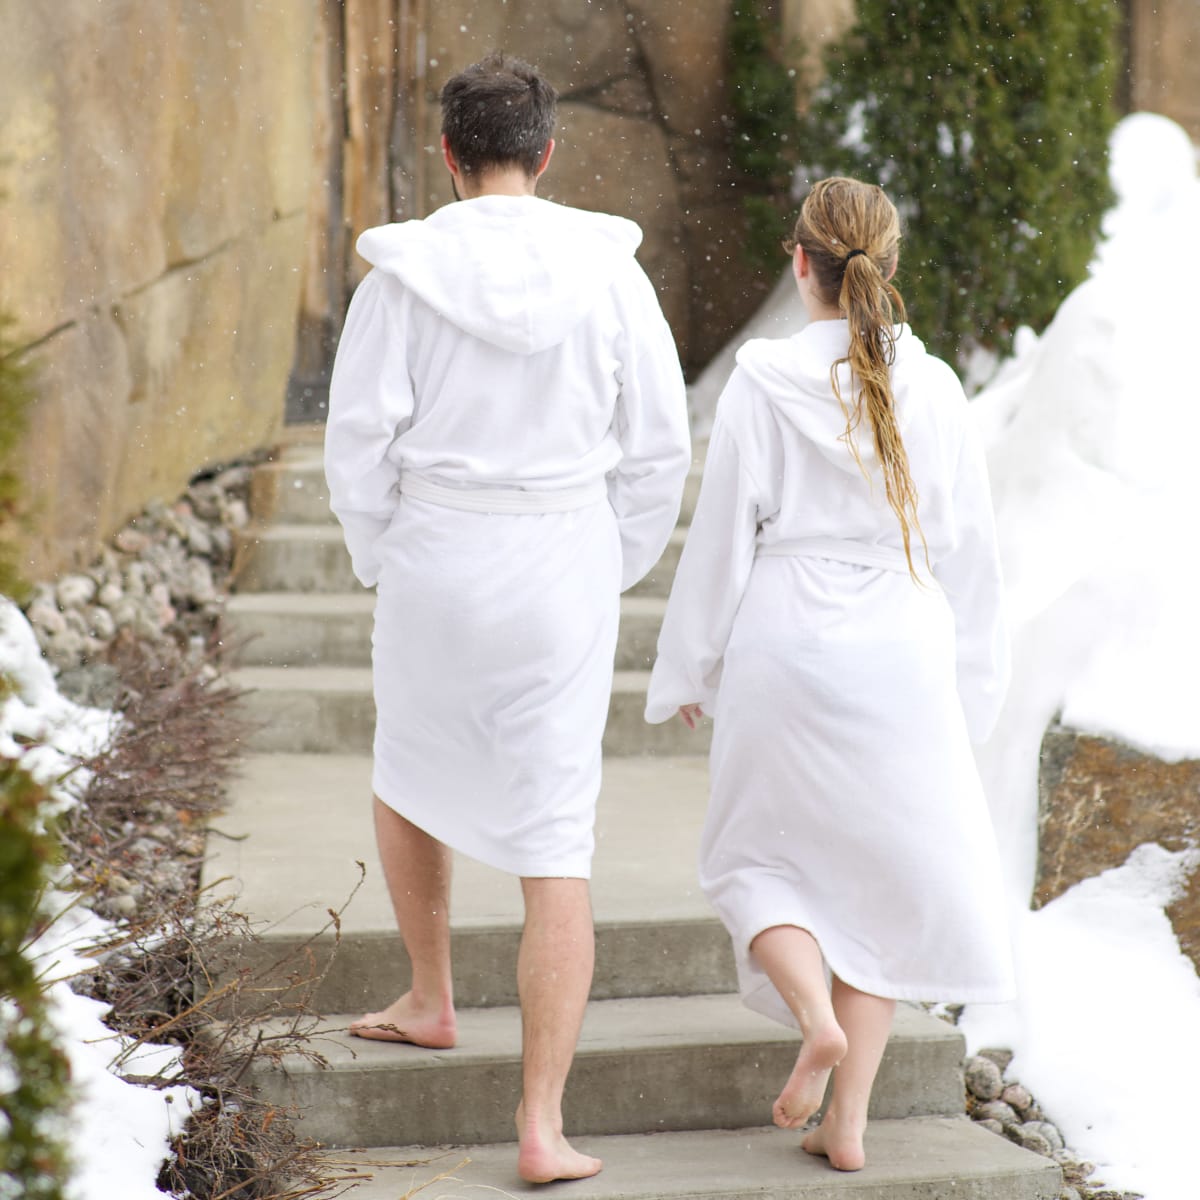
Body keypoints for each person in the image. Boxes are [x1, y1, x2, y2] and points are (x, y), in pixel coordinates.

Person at [323, 53, 690, 1184]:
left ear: (447, 155)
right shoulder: (611, 276)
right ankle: (539, 1125)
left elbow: (357, 444)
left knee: (408, 768)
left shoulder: (402, 279)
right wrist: (608, 558)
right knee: (554, 835)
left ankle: (433, 995)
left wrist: (389, 551)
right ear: (547, 153)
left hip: (438, 552)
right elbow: (660, 445)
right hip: (559, 557)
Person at [644, 177, 1014, 1172]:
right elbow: (971, 554)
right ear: (890, 271)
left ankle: (815, 1018)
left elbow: (721, 539)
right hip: (902, 648)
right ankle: (847, 1126)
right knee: (880, 886)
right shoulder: (934, 389)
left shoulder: (762, 381)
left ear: (795, 261)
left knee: (748, 863)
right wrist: (971, 684)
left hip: (786, 640)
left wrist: (689, 664)